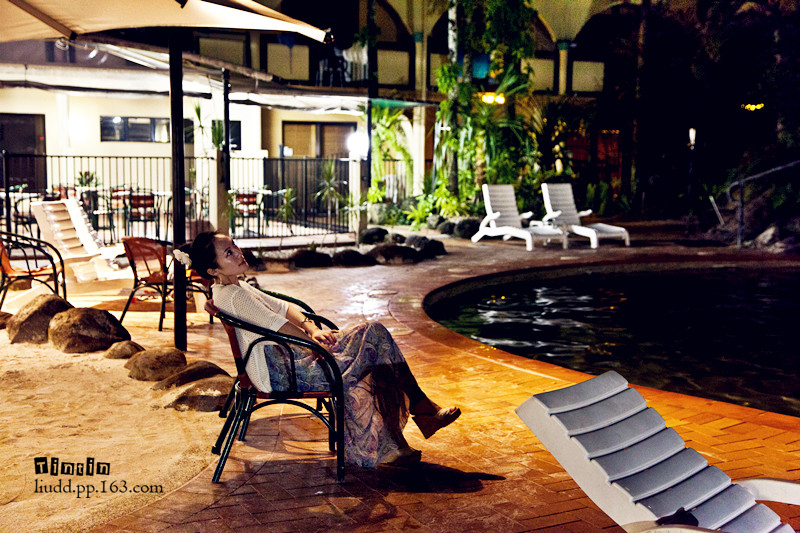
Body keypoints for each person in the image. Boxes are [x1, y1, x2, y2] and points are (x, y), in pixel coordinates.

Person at [175, 231, 460, 467]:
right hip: (281, 371)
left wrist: (312, 329)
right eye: (229, 253)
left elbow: (284, 308)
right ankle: (416, 416)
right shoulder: (233, 295)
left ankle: (398, 440)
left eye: (235, 246)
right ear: (213, 270)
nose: (238, 253)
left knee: (375, 342)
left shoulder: (235, 287)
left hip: (289, 357)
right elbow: (278, 325)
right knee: (374, 339)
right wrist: (314, 343)